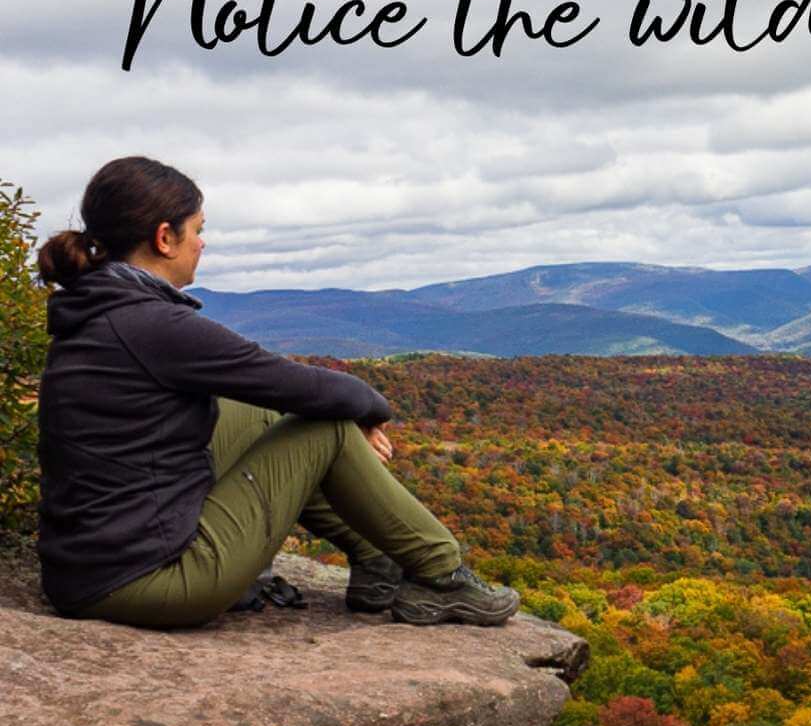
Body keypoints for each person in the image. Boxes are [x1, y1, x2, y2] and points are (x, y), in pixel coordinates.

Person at [34, 156, 519, 629]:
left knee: (257, 412)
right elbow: (300, 385)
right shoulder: (152, 324)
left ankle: (377, 560)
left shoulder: (98, 312)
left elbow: (272, 390)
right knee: (324, 424)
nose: (202, 243)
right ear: (165, 238)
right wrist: (372, 408)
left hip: (88, 569)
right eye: (198, 229)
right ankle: (442, 574)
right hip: (150, 580)